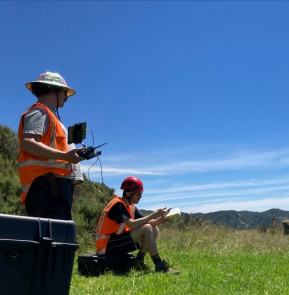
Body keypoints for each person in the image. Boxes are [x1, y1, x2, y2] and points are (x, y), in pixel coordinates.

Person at [17, 71, 83, 220]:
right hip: (46, 186)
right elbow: (28, 143)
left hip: (53, 186)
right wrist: (65, 156)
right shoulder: (39, 111)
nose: (67, 97)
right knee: (49, 237)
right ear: (52, 89)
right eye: (65, 92)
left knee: (56, 237)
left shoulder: (50, 115)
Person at [95, 176, 179, 274]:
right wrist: (154, 214)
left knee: (153, 228)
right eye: (138, 194)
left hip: (116, 241)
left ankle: (139, 260)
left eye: (141, 194)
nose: (140, 197)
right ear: (128, 193)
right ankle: (159, 264)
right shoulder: (118, 205)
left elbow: (146, 222)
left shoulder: (131, 206)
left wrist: (160, 220)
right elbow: (133, 224)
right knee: (147, 228)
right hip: (106, 245)